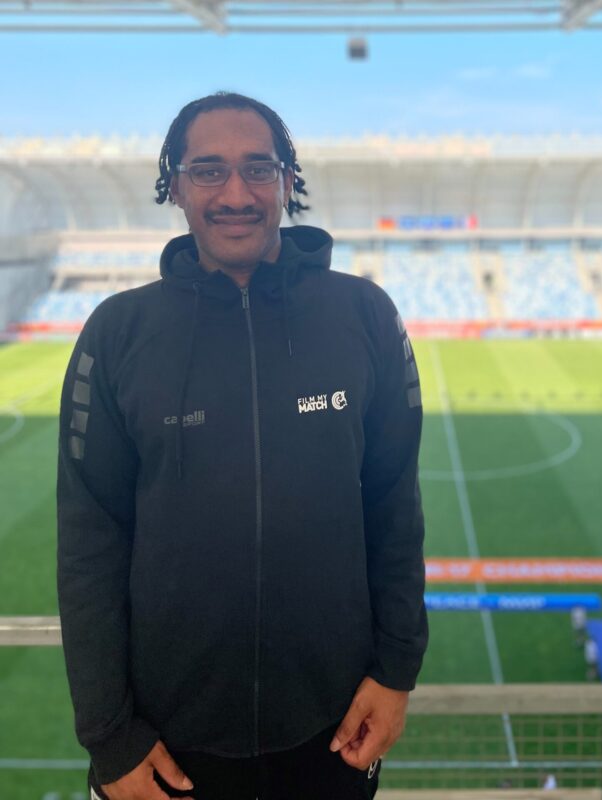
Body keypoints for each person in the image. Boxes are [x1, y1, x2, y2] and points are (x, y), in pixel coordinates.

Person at [56, 92, 428, 800]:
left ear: (289, 181)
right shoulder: (118, 332)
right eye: (208, 171)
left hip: (335, 729)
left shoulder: (365, 315)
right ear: (175, 184)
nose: (236, 194)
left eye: (259, 169)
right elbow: (89, 543)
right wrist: (109, 736)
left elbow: (393, 508)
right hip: (168, 747)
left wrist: (396, 669)